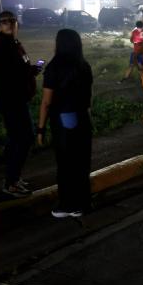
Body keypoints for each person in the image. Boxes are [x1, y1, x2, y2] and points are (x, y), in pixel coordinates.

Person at [37, 29, 93, 218]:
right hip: (83, 119)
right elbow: (88, 99)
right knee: (82, 163)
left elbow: (46, 102)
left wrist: (40, 129)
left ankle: (66, 205)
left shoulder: (54, 67)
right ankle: (82, 204)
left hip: (64, 121)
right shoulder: (84, 66)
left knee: (66, 164)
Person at [0, 11, 40, 198]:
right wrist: (28, 72)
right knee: (24, 138)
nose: (8, 24)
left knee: (17, 139)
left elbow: (19, 69)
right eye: (4, 21)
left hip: (16, 98)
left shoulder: (14, 44)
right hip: (11, 99)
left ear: (17, 24)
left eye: (12, 20)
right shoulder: (2, 46)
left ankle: (13, 178)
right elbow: (10, 74)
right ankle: (11, 183)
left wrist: (30, 70)